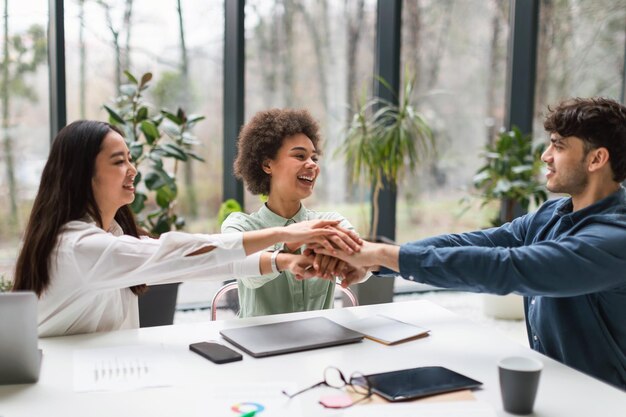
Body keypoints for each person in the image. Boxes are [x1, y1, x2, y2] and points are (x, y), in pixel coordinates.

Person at [311, 97, 626, 390]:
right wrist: (375, 260)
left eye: (558, 146)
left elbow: (513, 268)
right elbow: (477, 242)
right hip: (555, 385)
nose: (545, 156)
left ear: (597, 158)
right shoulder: (552, 214)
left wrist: (378, 252)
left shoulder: (615, 238)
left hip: (605, 401)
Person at [12, 120, 361, 337]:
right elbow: (180, 256)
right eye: (119, 162)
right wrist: (285, 236)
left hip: (100, 369)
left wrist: (283, 262)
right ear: (81, 174)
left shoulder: (112, 236)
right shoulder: (77, 246)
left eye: (131, 159)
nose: (133, 170)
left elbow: (207, 259)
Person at [222, 109, 369, 318]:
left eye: (314, 158)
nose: (312, 165)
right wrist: (290, 245)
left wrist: (351, 264)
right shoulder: (240, 225)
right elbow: (248, 275)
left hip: (320, 342)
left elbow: (364, 264)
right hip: (260, 345)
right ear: (267, 164)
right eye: (300, 156)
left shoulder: (330, 222)